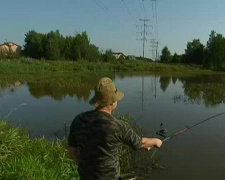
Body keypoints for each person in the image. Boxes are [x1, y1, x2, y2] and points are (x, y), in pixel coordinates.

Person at [68, 77, 162, 180]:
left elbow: (73, 150)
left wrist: (87, 166)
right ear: (112, 102)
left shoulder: (79, 120)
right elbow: (139, 143)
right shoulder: (118, 126)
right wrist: (156, 141)